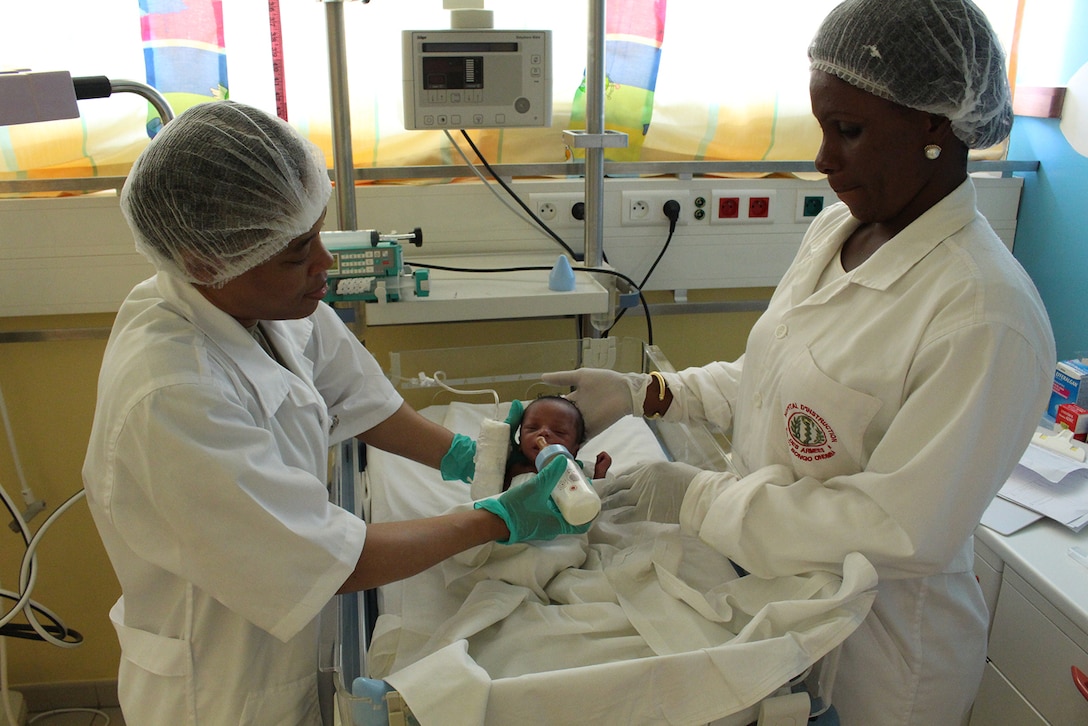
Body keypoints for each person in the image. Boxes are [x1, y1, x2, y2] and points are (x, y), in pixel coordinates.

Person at [544, 1, 1056, 723]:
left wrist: (696, 498)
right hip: (774, 612)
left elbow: (899, 527)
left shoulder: (983, 315)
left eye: (848, 131)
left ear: (934, 125)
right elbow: (779, 376)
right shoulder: (838, 229)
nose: (822, 159)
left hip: (879, 660)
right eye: (822, 128)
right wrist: (649, 393)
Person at [81, 100, 585, 726]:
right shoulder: (173, 395)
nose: (323, 263)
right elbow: (334, 562)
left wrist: (473, 457)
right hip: (219, 689)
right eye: (297, 252)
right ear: (205, 262)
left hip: (285, 645)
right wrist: (496, 520)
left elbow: (359, 401)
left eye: (317, 233)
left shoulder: (263, 300)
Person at [503, 395, 612, 491]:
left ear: (574, 450)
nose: (543, 432)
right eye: (532, 428)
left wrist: (599, 474)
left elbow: (589, 500)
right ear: (520, 442)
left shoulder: (571, 471)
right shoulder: (512, 469)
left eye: (559, 432)